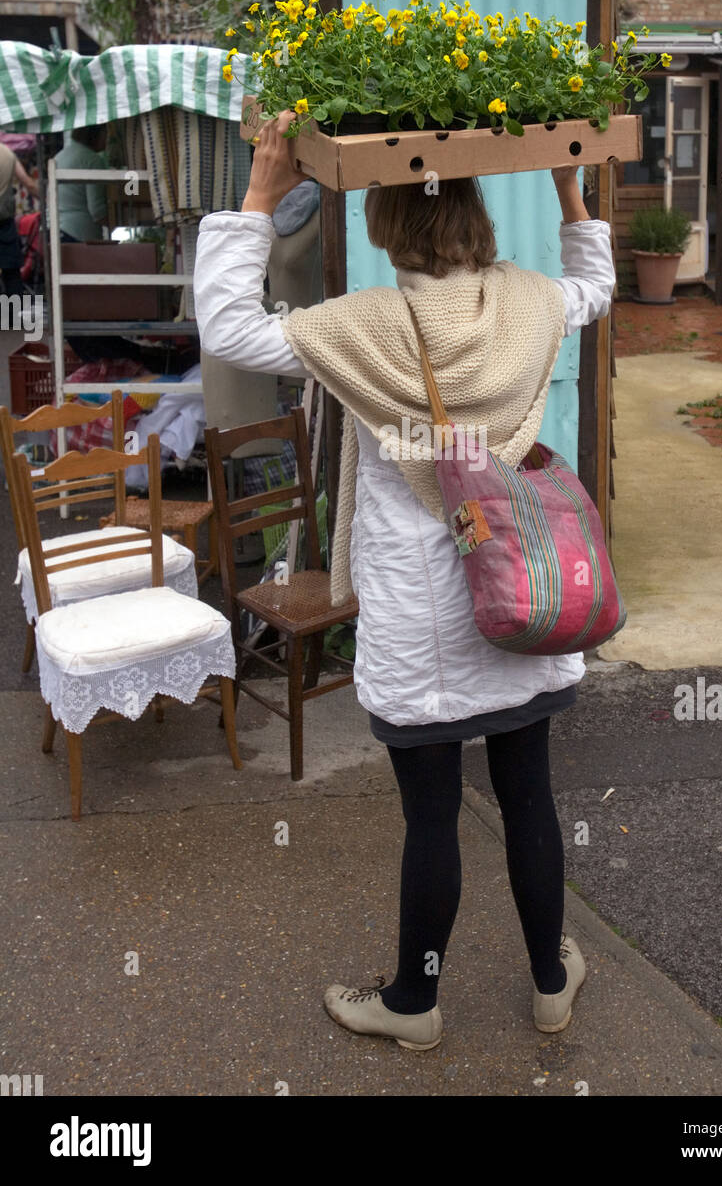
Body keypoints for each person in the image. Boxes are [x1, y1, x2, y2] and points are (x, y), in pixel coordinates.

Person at [194, 110, 617, 1052]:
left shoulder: (365, 327)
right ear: (475, 214)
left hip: (424, 612)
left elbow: (226, 324)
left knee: (431, 816)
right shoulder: (529, 303)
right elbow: (596, 283)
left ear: (386, 226)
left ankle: (416, 1003)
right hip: (516, 593)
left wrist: (259, 197)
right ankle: (552, 981)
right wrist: (566, 184)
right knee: (530, 799)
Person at [52, 124, 110, 243]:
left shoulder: (59, 156)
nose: (107, 138)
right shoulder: (93, 160)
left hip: (55, 230)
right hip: (79, 234)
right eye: (105, 133)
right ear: (95, 135)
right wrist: (121, 222)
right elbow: (97, 211)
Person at [0, 140, 38, 296]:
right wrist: (49, 200)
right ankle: (13, 318)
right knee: (11, 273)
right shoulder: (7, 153)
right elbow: (29, 183)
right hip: (5, 223)